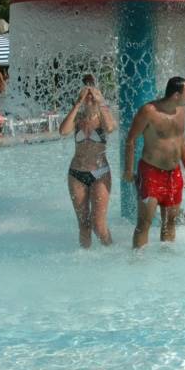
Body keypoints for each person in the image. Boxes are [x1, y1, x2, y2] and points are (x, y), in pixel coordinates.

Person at [123, 76, 185, 249]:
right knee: (144, 223)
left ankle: (166, 263)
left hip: (174, 173)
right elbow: (130, 139)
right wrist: (128, 169)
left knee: (170, 221)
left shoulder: (182, 111)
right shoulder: (149, 111)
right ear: (176, 95)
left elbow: (181, 140)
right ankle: (138, 263)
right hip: (151, 173)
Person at [59, 74, 117, 248]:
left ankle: (112, 252)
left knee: (99, 226)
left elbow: (110, 127)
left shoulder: (103, 116)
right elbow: (63, 131)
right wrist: (78, 103)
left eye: (92, 92)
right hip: (76, 174)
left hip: (100, 173)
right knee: (84, 225)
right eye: (86, 92)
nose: (89, 96)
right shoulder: (77, 118)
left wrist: (101, 101)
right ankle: (85, 262)